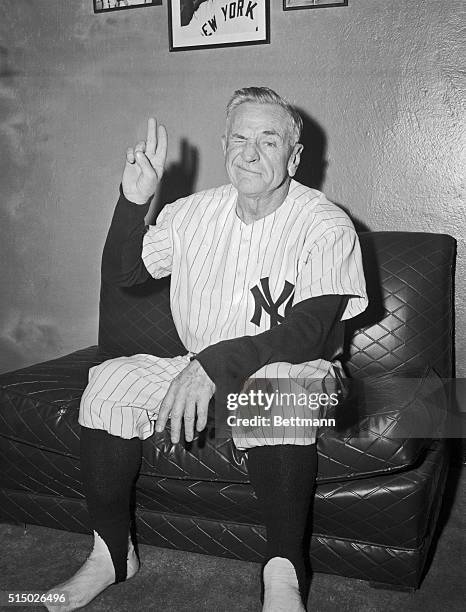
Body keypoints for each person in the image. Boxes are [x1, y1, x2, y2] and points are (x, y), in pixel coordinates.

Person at [46, 87, 367, 612]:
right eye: (239, 138)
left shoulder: (325, 223)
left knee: (276, 389)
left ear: (295, 155)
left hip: (299, 370)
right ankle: (110, 551)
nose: (250, 153)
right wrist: (133, 201)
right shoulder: (192, 213)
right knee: (109, 382)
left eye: (269, 141)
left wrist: (211, 367)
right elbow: (126, 273)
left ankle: (284, 572)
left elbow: (311, 332)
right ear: (224, 145)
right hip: (201, 366)